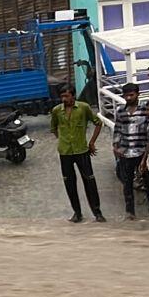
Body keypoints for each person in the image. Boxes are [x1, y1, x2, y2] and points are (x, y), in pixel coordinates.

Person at [49, 86, 104, 223]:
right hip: (65, 152)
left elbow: (98, 123)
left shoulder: (83, 108)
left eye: (67, 96)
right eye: (62, 97)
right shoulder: (57, 111)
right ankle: (77, 213)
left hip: (82, 150)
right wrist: (63, 139)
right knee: (69, 183)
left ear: (73, 96)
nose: (64, 99)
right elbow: (53, 128)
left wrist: (91, 142)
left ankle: (97, 213)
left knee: (89, 181)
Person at [113, 83, 148, 219]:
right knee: (127, 183)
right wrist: (115, 146)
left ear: (138, 94)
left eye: (131, 95)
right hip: (126, 151)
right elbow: (117, 128)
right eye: (126, 95)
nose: (128, 98)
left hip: (142, 151)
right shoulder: (121, 111)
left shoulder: (145, 109)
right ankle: (130, 212)